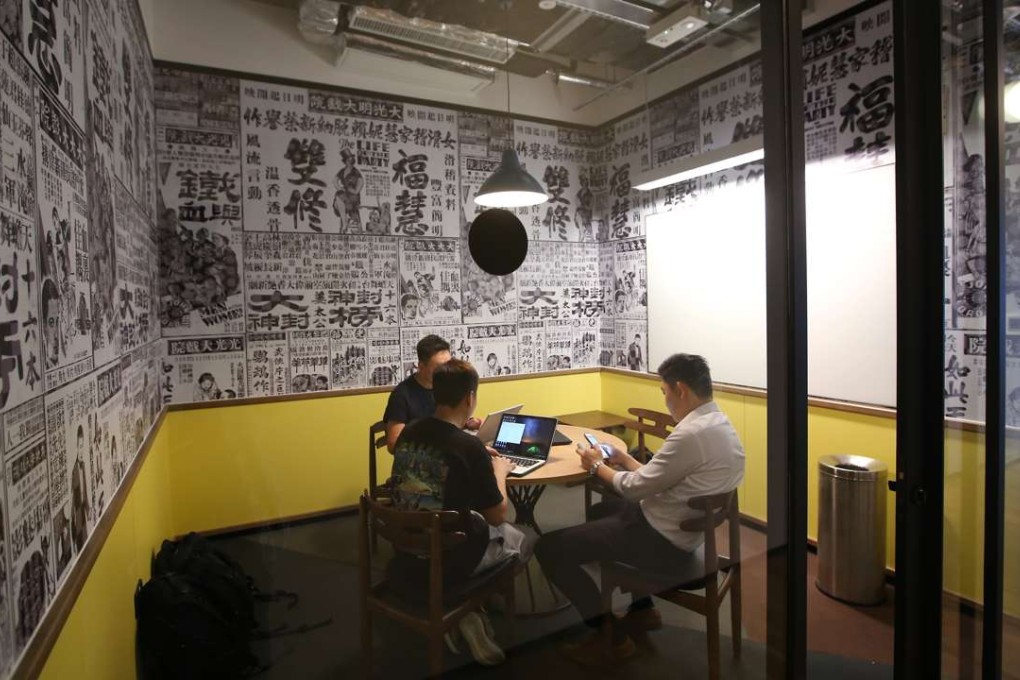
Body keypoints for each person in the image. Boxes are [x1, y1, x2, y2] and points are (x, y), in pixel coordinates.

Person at [535, 353, 745, 665]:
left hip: (661, 541)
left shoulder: (689, 434)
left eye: (665, 393)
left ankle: (609, 635)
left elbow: (633, 488)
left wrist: (596, 466)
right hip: (679, 530)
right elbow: (656, 477)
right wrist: (623, 458)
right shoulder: (717, 424)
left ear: (681, 390)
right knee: (601, 511)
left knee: (549, 548)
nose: (666, 401)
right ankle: (642, 610)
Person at [389, 359, 534, 667]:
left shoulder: (410, 432)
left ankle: (466, 614)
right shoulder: (469, 448)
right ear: (470, 398)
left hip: (405, 551)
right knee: (522, 538)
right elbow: (497, 514)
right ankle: (467, 607)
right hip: (451, 560)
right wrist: (500, 470)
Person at [383, 335, 482, 453]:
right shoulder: (402, 395)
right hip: (424, 461)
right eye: (440, 367)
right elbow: (394, 444)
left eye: (449, 364)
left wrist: (468, 423)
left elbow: (449, 423)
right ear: (421, 366)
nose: (447, 371)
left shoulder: (449, 386)